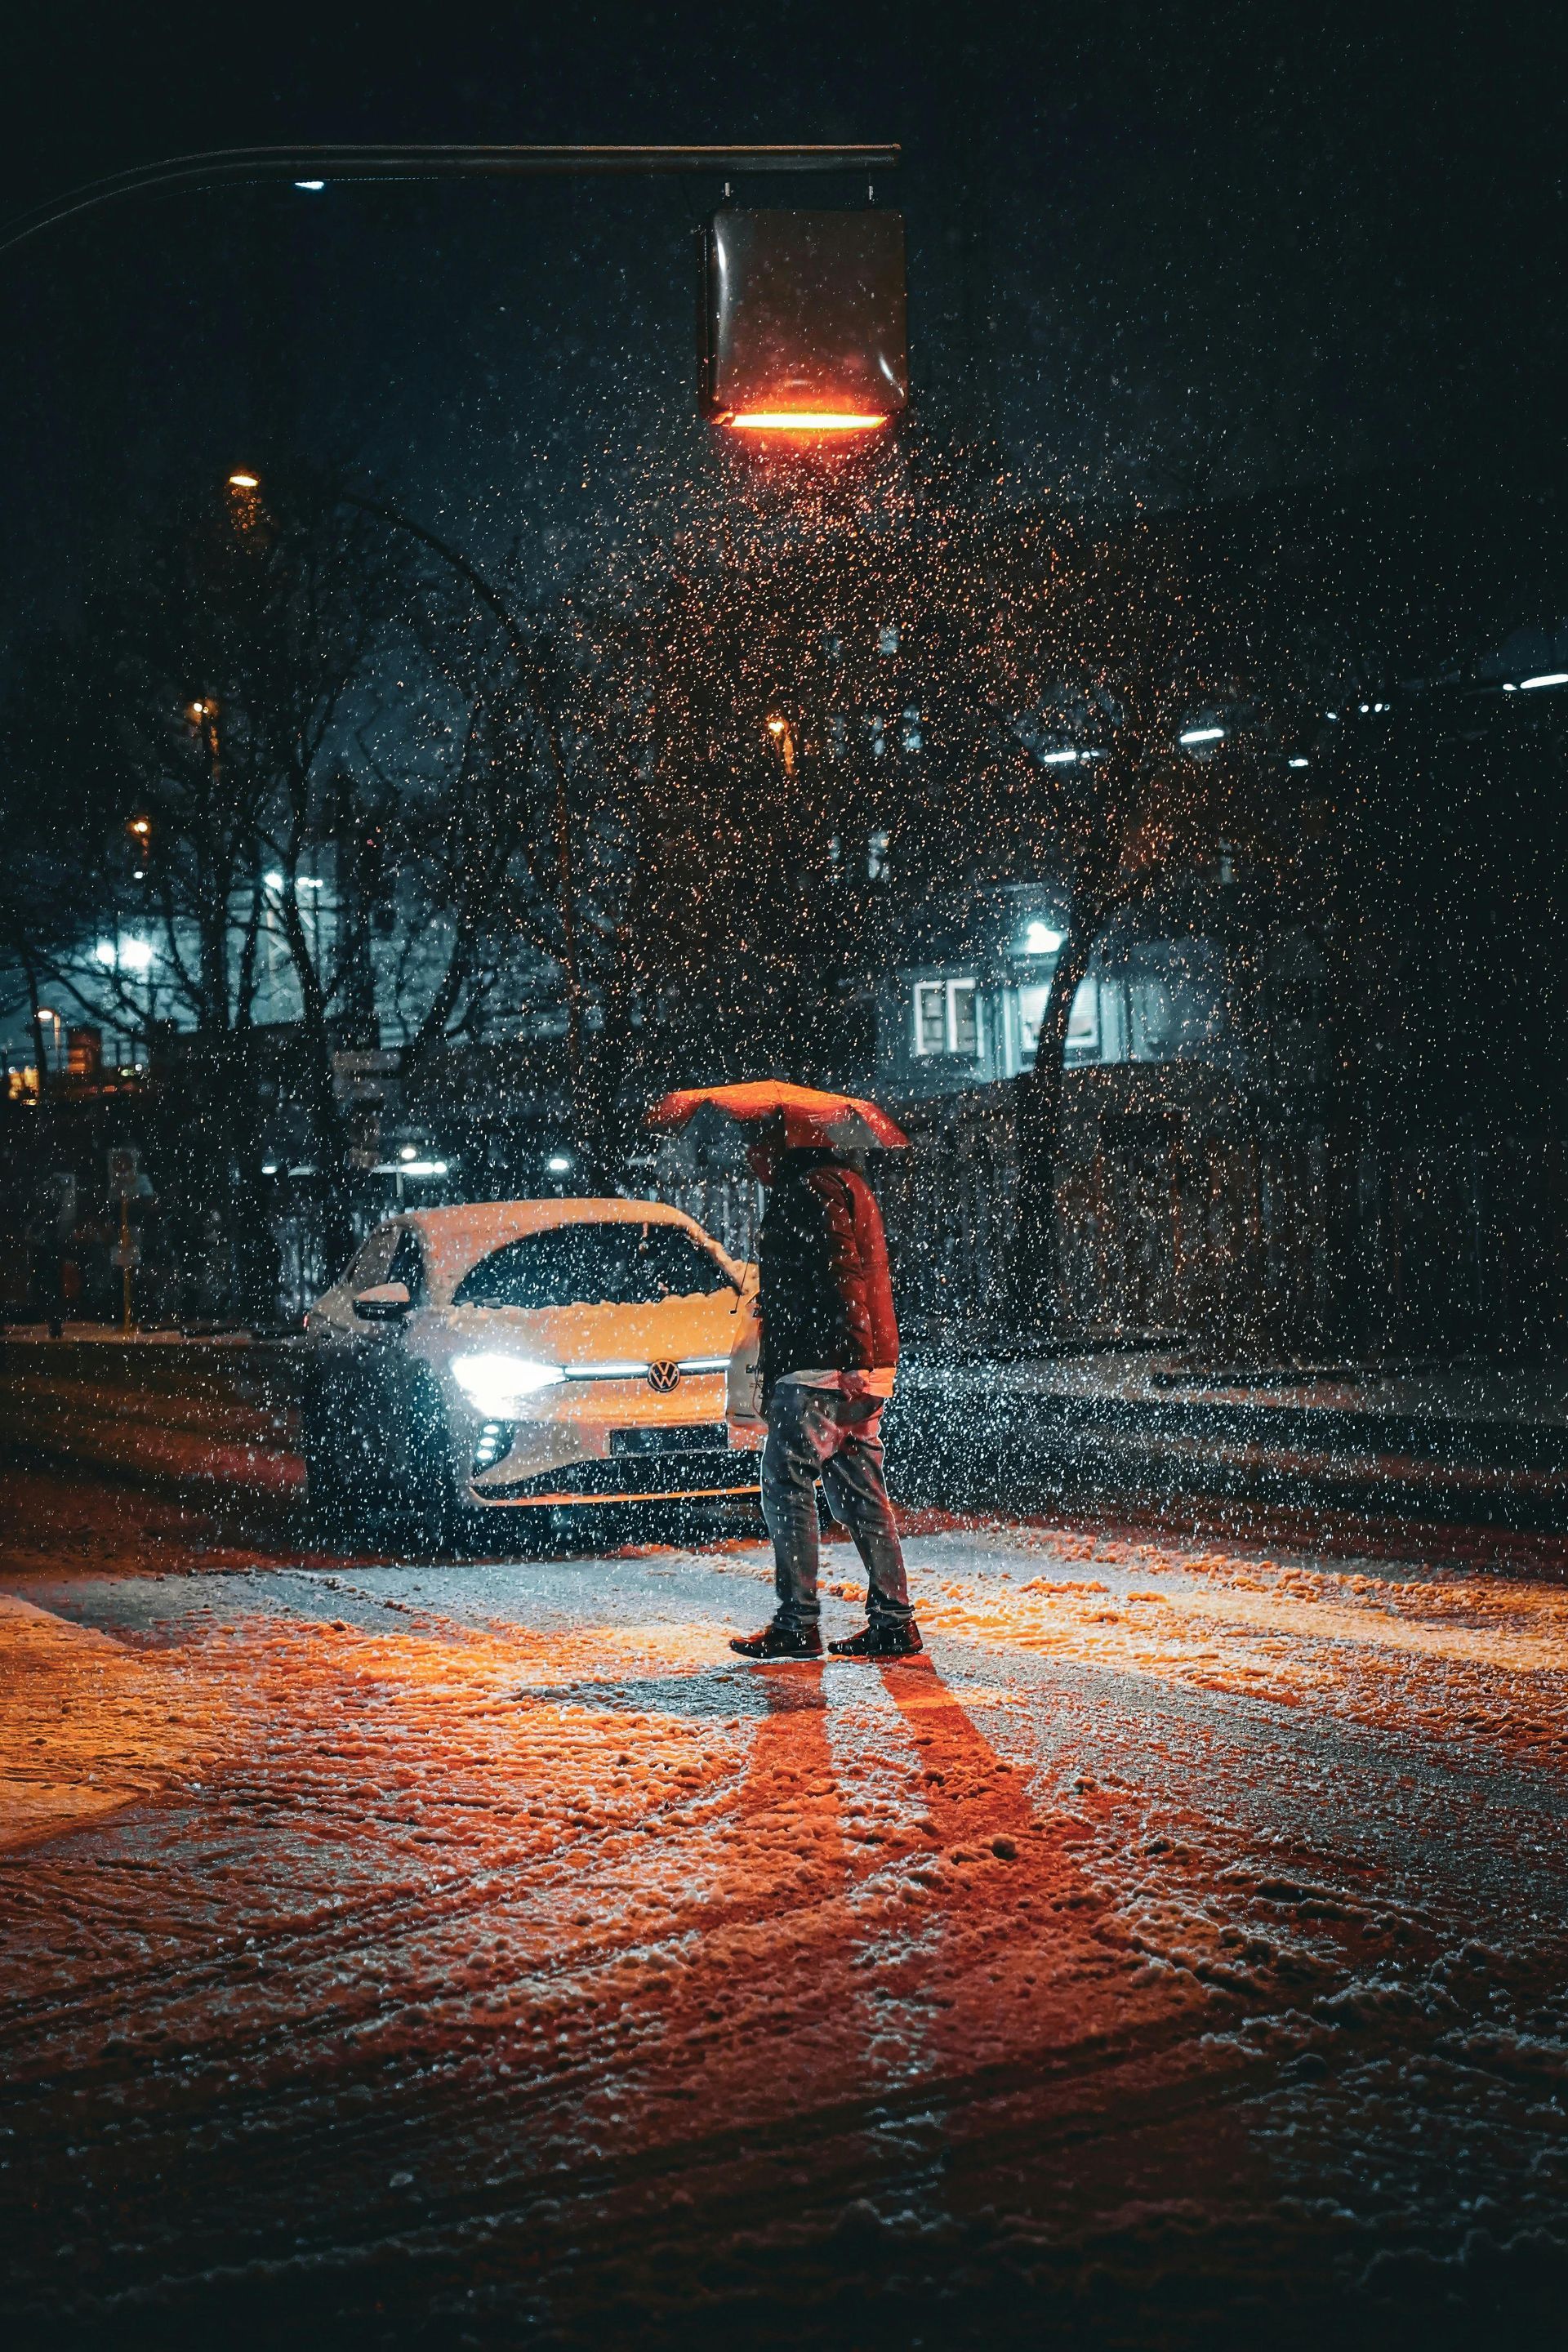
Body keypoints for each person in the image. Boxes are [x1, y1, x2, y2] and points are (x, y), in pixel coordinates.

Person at [730, 1133, 922, 1662]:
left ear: (781, 1143)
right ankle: (893, 1621)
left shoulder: (808, 1190)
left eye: (754, 1146)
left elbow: (841, 1271)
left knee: (785, 1483)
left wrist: (851, 1356)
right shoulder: (847, 1182)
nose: (750, 1156)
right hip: (856, 1363)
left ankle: (797, 1622)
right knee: (858, 1493)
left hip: (823, 1366)